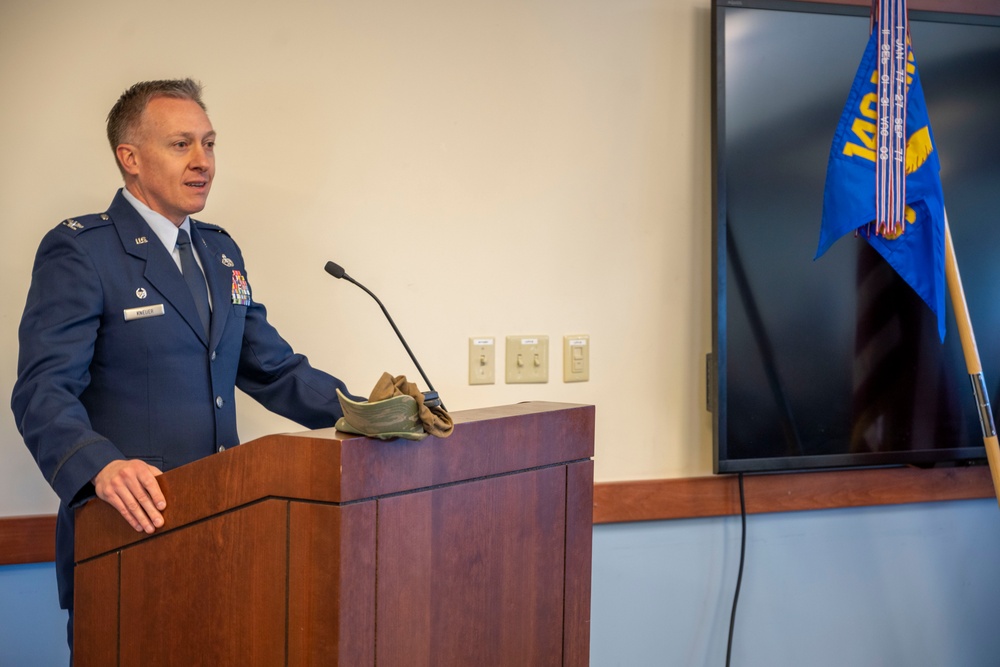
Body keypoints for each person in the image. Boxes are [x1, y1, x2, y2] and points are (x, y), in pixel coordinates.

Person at [10, 78, 359, 652]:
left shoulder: (220, 252)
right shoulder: (82, 251)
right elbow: (41, 392)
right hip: (128, 532)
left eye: (210, 143)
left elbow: (272, 368)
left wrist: (369, 411)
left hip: (227, 524)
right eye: (181, 145)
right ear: (130, 158)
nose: (203, 162)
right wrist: (101, 466)